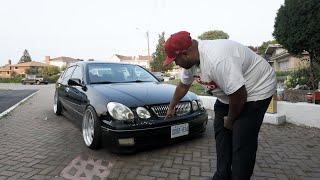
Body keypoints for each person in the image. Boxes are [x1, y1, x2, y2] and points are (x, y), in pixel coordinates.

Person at [163, 31, 276, 180]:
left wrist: (230, 119)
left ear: (185, 53)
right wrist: (171, 107)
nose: (175, 64)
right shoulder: (190, 64)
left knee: (241, 141)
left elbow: (239, 95)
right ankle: (222, 176)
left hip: (257, 89)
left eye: (175, 60)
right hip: (230, 95)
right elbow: (183, 86)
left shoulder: (217, 59)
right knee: (222, 135)